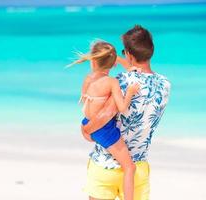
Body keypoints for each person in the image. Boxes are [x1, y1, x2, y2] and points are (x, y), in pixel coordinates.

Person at [81, 25, 171, 200]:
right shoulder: (165, 85)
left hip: (104, 166)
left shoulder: (119, 81)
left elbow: (102, 118)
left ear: (128, 54)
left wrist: (85, 129)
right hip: (137, 169)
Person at [68, 40, 140, 200]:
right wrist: (130, 92)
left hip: (87, 124)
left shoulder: (88, 79)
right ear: (113, 64)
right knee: (129, 167)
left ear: (93, 60)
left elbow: (85, 103)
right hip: (104, 130)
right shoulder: (112, 82)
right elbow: (122, 108)